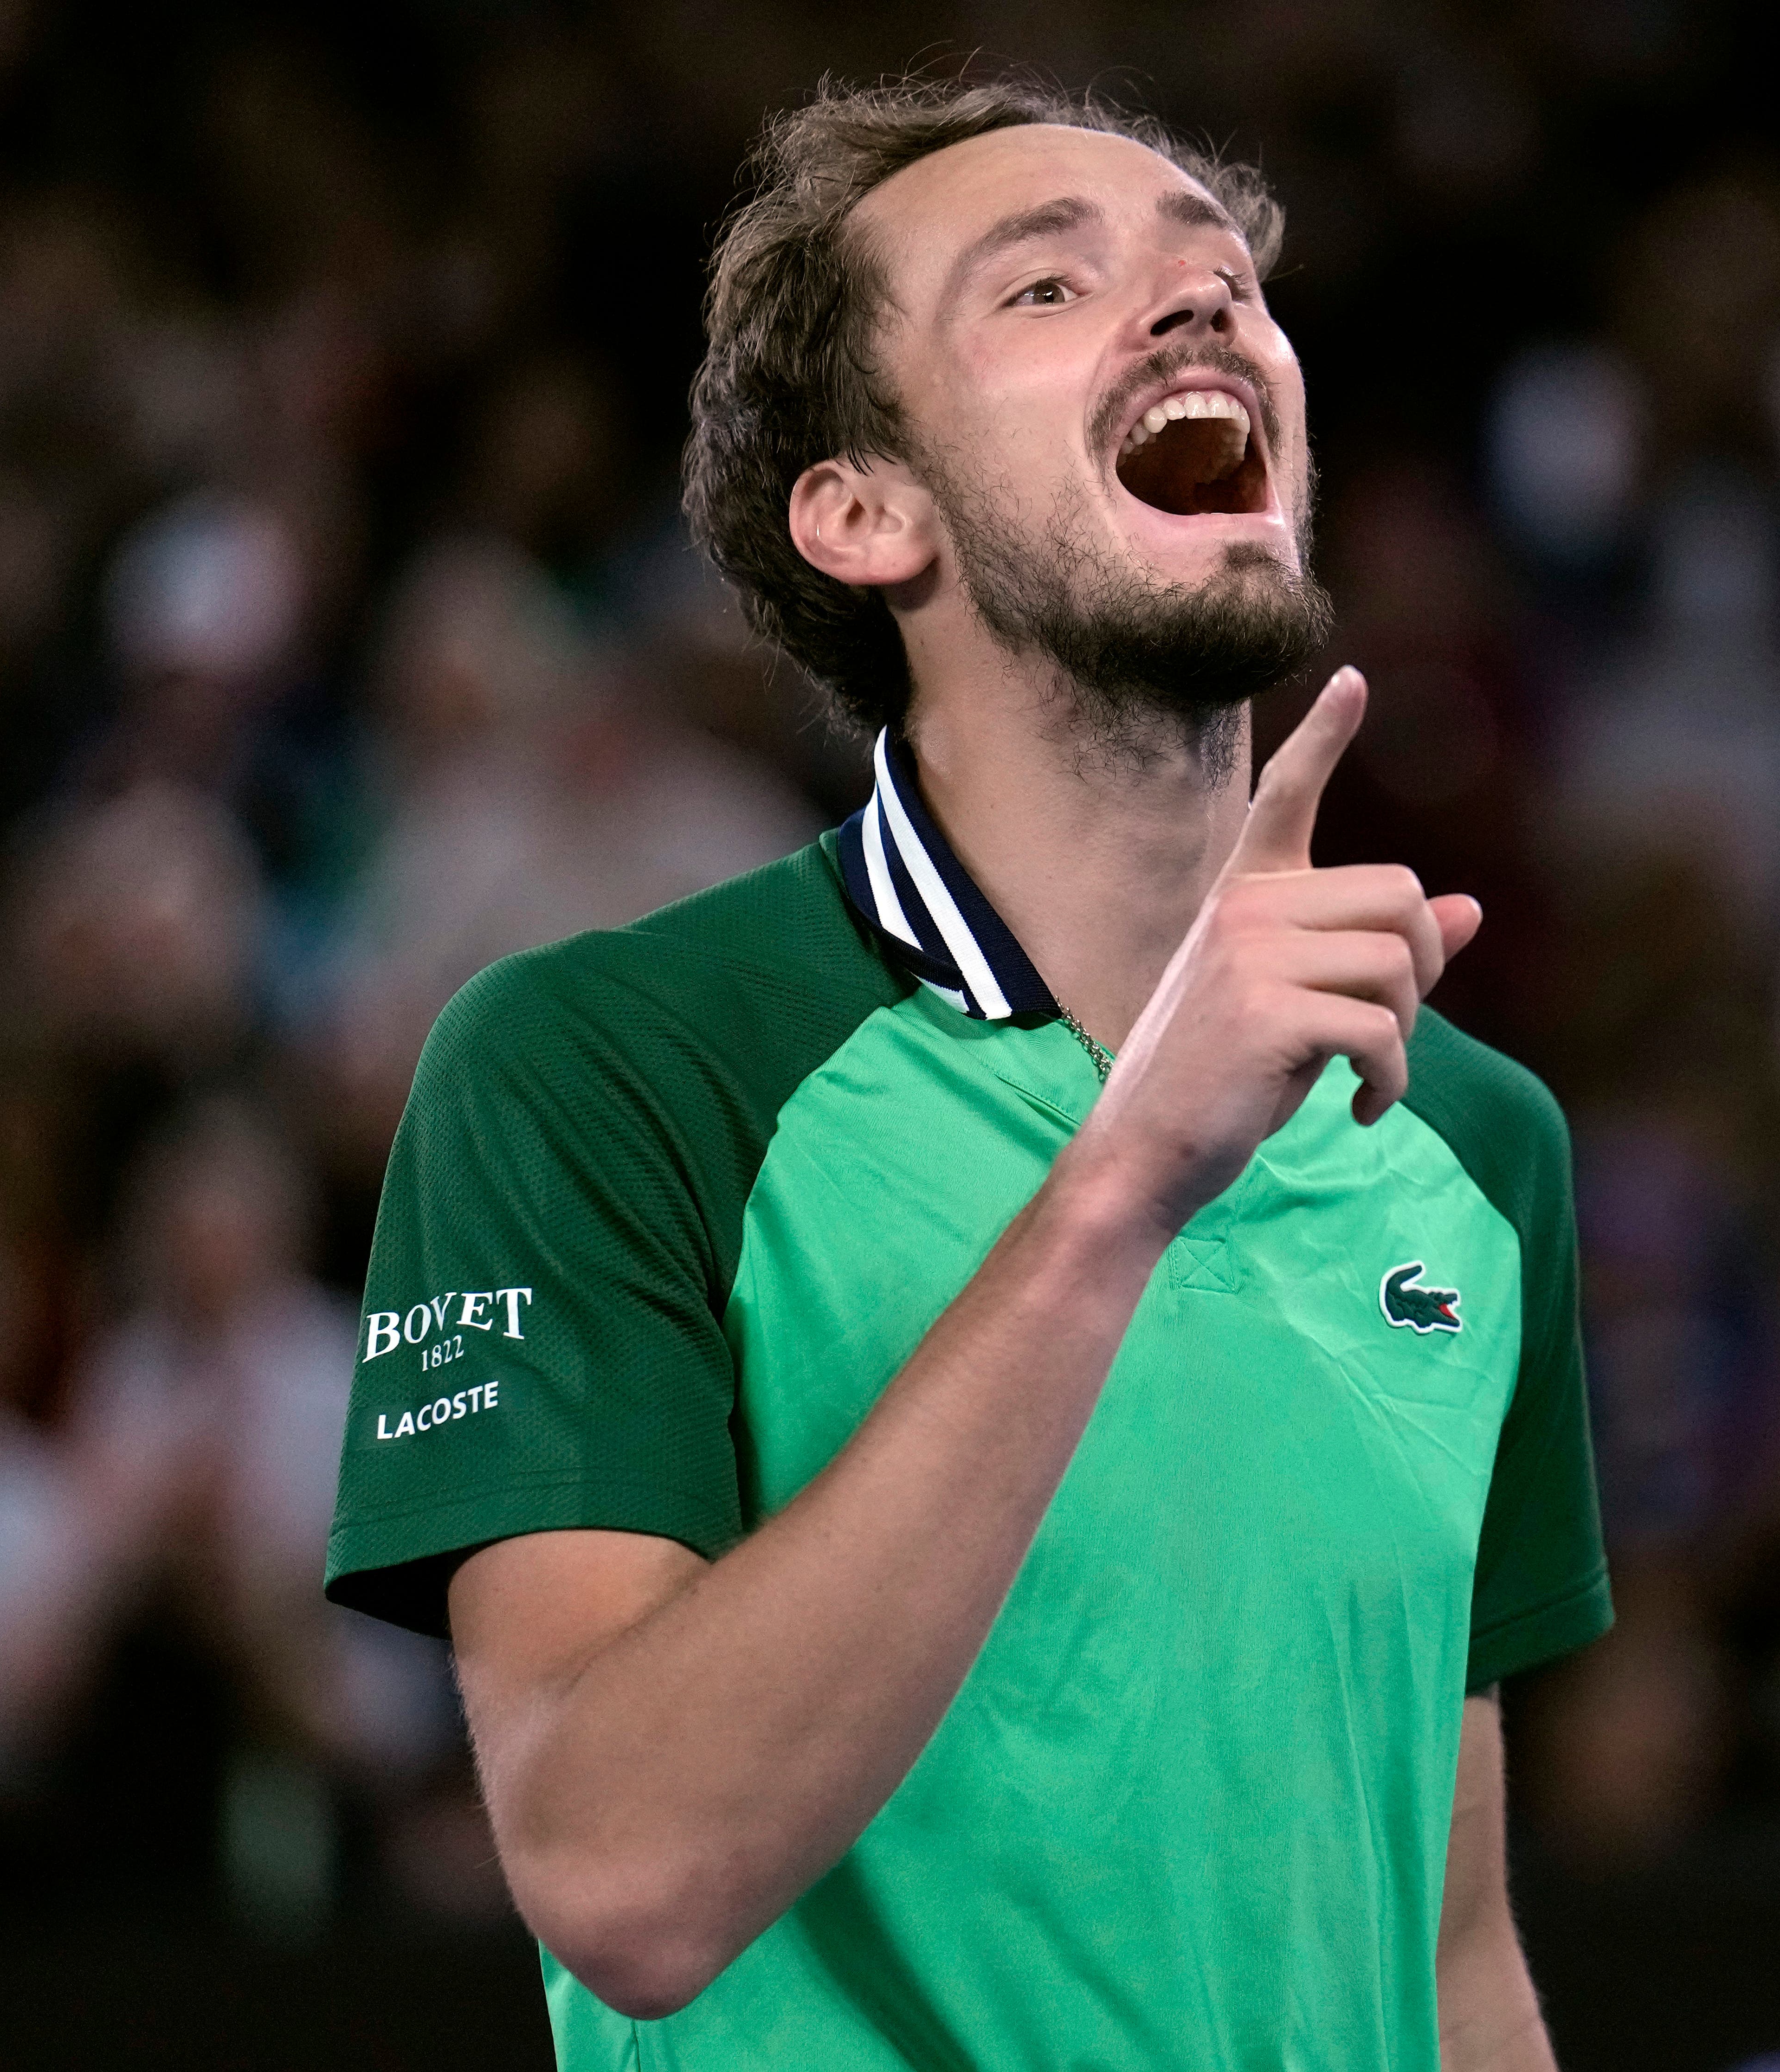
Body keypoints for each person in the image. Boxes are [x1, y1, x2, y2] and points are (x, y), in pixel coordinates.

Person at [321, 78, 1608, 2069]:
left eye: (1221, 279)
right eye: (1045, 288)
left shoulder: (1468, 1136)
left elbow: (1442, 1953)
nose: (1197, 312)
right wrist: (1122, 1183)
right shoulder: (600, 1065)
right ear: (863, 509)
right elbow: (623, 1871)